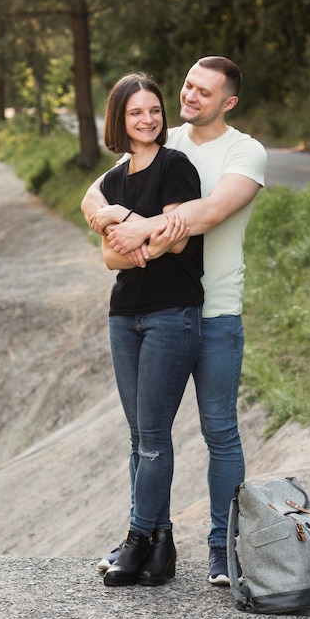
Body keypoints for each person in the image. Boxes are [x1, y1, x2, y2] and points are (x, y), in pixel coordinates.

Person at [83, 56, 267, 586]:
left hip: (215, 312)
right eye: (187, 85)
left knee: (219, 432)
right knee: (146, 433)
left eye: (204, 92)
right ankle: (151, 538)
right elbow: (97, 192)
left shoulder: (244, 151)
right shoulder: (166, 138)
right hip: (158, 303)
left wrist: (134, 227)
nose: (190, 96)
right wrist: (110, 216)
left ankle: (221, 547)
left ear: (228, 102)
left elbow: (204, 216)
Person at [91, 72, 204, 588]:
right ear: (121, 118)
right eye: (136, 112)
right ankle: (159, 549)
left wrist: (133, 227)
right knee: (139, 436)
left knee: (154, 436)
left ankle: (138, 538)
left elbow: (178, 240)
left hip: (171, 313)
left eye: (155, 110)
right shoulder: (113, 181)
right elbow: (109, 254)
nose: (148, 119)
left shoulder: (177, 166)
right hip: (124, 316)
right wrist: (137, 229)